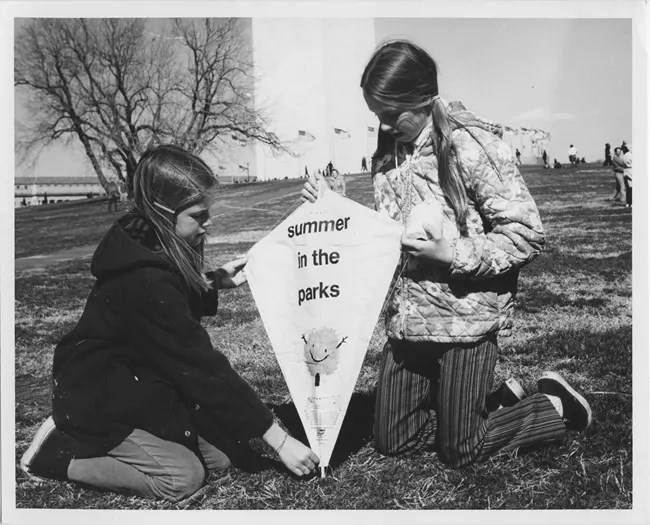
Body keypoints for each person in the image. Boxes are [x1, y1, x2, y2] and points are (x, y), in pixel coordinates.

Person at [303, 40, 591, 469]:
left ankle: (553, 405)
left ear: (422, 99)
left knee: (461, 449)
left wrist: (450, 253)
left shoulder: (471, 145)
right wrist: (337, 207)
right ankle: (491, 403)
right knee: (392, 440)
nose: (381, 123)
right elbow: (392, 236)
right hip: (410, 322)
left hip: (465, 321)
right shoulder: (387, 152)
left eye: (389, 113)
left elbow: (526, 235)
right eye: (375, 114)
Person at [20, 145, 319, 502]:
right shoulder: (144, 278)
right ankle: (57, 451)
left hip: (140, 380)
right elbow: (199, 366)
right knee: (182, 479)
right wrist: (279, 440)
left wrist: (213, 281)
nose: (207, 222)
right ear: (163, 214)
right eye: (197, 215)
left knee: (221, 460)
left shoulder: (151, 243)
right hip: (98, 393)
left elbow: (168, 304)